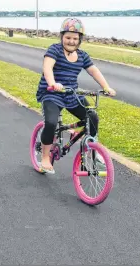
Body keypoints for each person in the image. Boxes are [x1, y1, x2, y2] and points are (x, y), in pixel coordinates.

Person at [35, 17, 116, 174]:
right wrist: (52, 83)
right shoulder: (54, 50)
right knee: (51, 123)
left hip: (71, 94)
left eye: (75, 38)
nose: (71, 41)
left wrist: (106, 87)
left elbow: (93, 71)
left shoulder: (83, 55)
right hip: (52, 93)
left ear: (79, 40)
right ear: (62, 37)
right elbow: (48, 68)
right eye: (68, 38)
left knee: (92, 117)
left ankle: (91, 152)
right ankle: (45, 157)